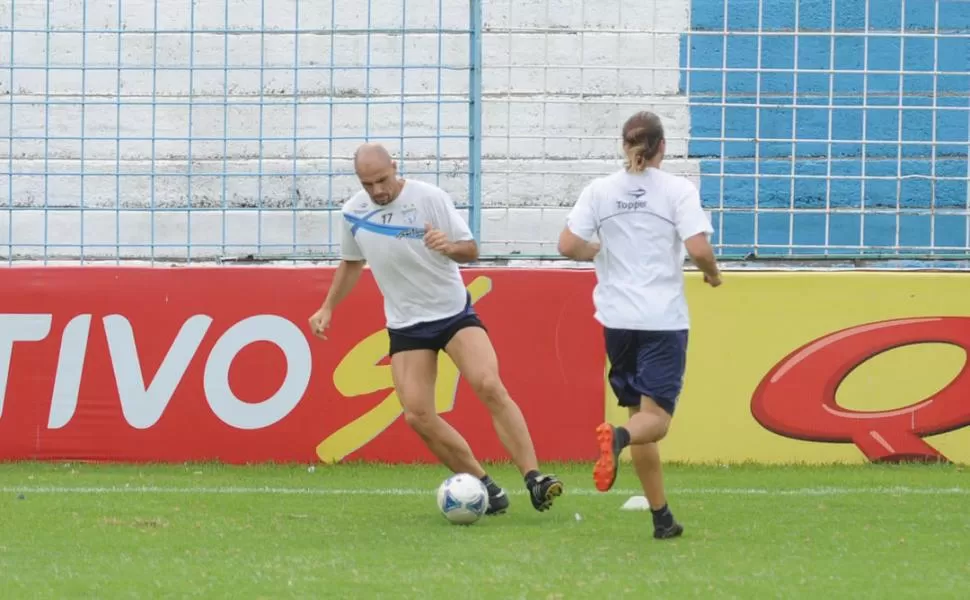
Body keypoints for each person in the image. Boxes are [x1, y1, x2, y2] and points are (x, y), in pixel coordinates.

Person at [308, 142, 564, 515]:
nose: (378, 190)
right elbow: (352, 263)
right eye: (368, 184)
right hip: (407, 326)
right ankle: (485, 486)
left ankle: (535, 478)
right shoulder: (353, 213)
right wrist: (327, 307)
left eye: (382, 179)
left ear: (395, 168)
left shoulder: (429, 198)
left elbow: (470, 249)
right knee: (417, 415)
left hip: (452, 314)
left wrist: (447, 247)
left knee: (489, 385)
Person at [557, 111, 722, 539]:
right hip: (661, 319)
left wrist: (595, 249)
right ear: (662, 147)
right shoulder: (676, 190)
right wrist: (712, 273)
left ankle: (661, 516)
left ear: (624, 145)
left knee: (639, 415)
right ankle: (617, 436)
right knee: (655, 421)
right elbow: (698, 247)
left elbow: (567, 244)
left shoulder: (601, 190)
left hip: (616, 320)